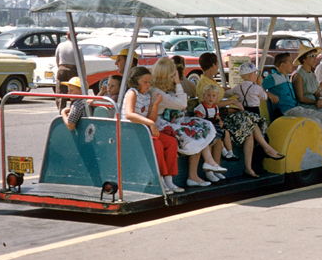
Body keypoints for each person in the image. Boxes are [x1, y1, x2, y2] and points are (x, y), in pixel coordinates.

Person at [196, 52, 285, 176]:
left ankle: (249, 167)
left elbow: (223, 92)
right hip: (217, 118)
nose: (218, 67)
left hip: (224, 115)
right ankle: (267, 149)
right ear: (213, 65)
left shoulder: (209, 81)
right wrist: (232, 101)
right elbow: (212, 103)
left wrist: (233, 92)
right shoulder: (205, 83)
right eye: (217, 64)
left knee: (249, 131)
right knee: (252, 123)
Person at [263, 52, 322, 164]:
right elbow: (258, 87)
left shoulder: (285, 77)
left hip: (297, 109)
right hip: (287, 112)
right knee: (316, 121)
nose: (292, 64)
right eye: (289, 62)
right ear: (282, 64)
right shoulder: (273, 77)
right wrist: (269, 95)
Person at [150, 57, 222, 186]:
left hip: (167, 121)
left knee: (200, 126)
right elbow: (182, 104)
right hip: (160, 125)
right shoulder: (157, 92)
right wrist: (178, 83)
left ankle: (205, 165)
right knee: (194, 134)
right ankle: (198, 172)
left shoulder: (159, 90)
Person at [122, 66, 183, 194]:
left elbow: (151, 118)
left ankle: (169, 179)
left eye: (150, 82)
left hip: (144, 131)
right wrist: (149, 123)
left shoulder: (147, 95)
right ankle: (159, 179)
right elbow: (129, 114)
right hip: (131, 131)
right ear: (136, 81)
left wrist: (155, 104)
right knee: (157, 145)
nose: (148, 85)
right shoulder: (132, 93)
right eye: (145, 82)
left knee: (171, 142)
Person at [55, 32, 78, 111]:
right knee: (74, 91)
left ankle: (61, 110)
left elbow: (57, 60)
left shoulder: (60, 45)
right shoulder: (77, 47)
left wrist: (60, 68)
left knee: (61, 92)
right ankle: (73, 109)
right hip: (73, 69)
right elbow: (81, 63)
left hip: (62, 68)